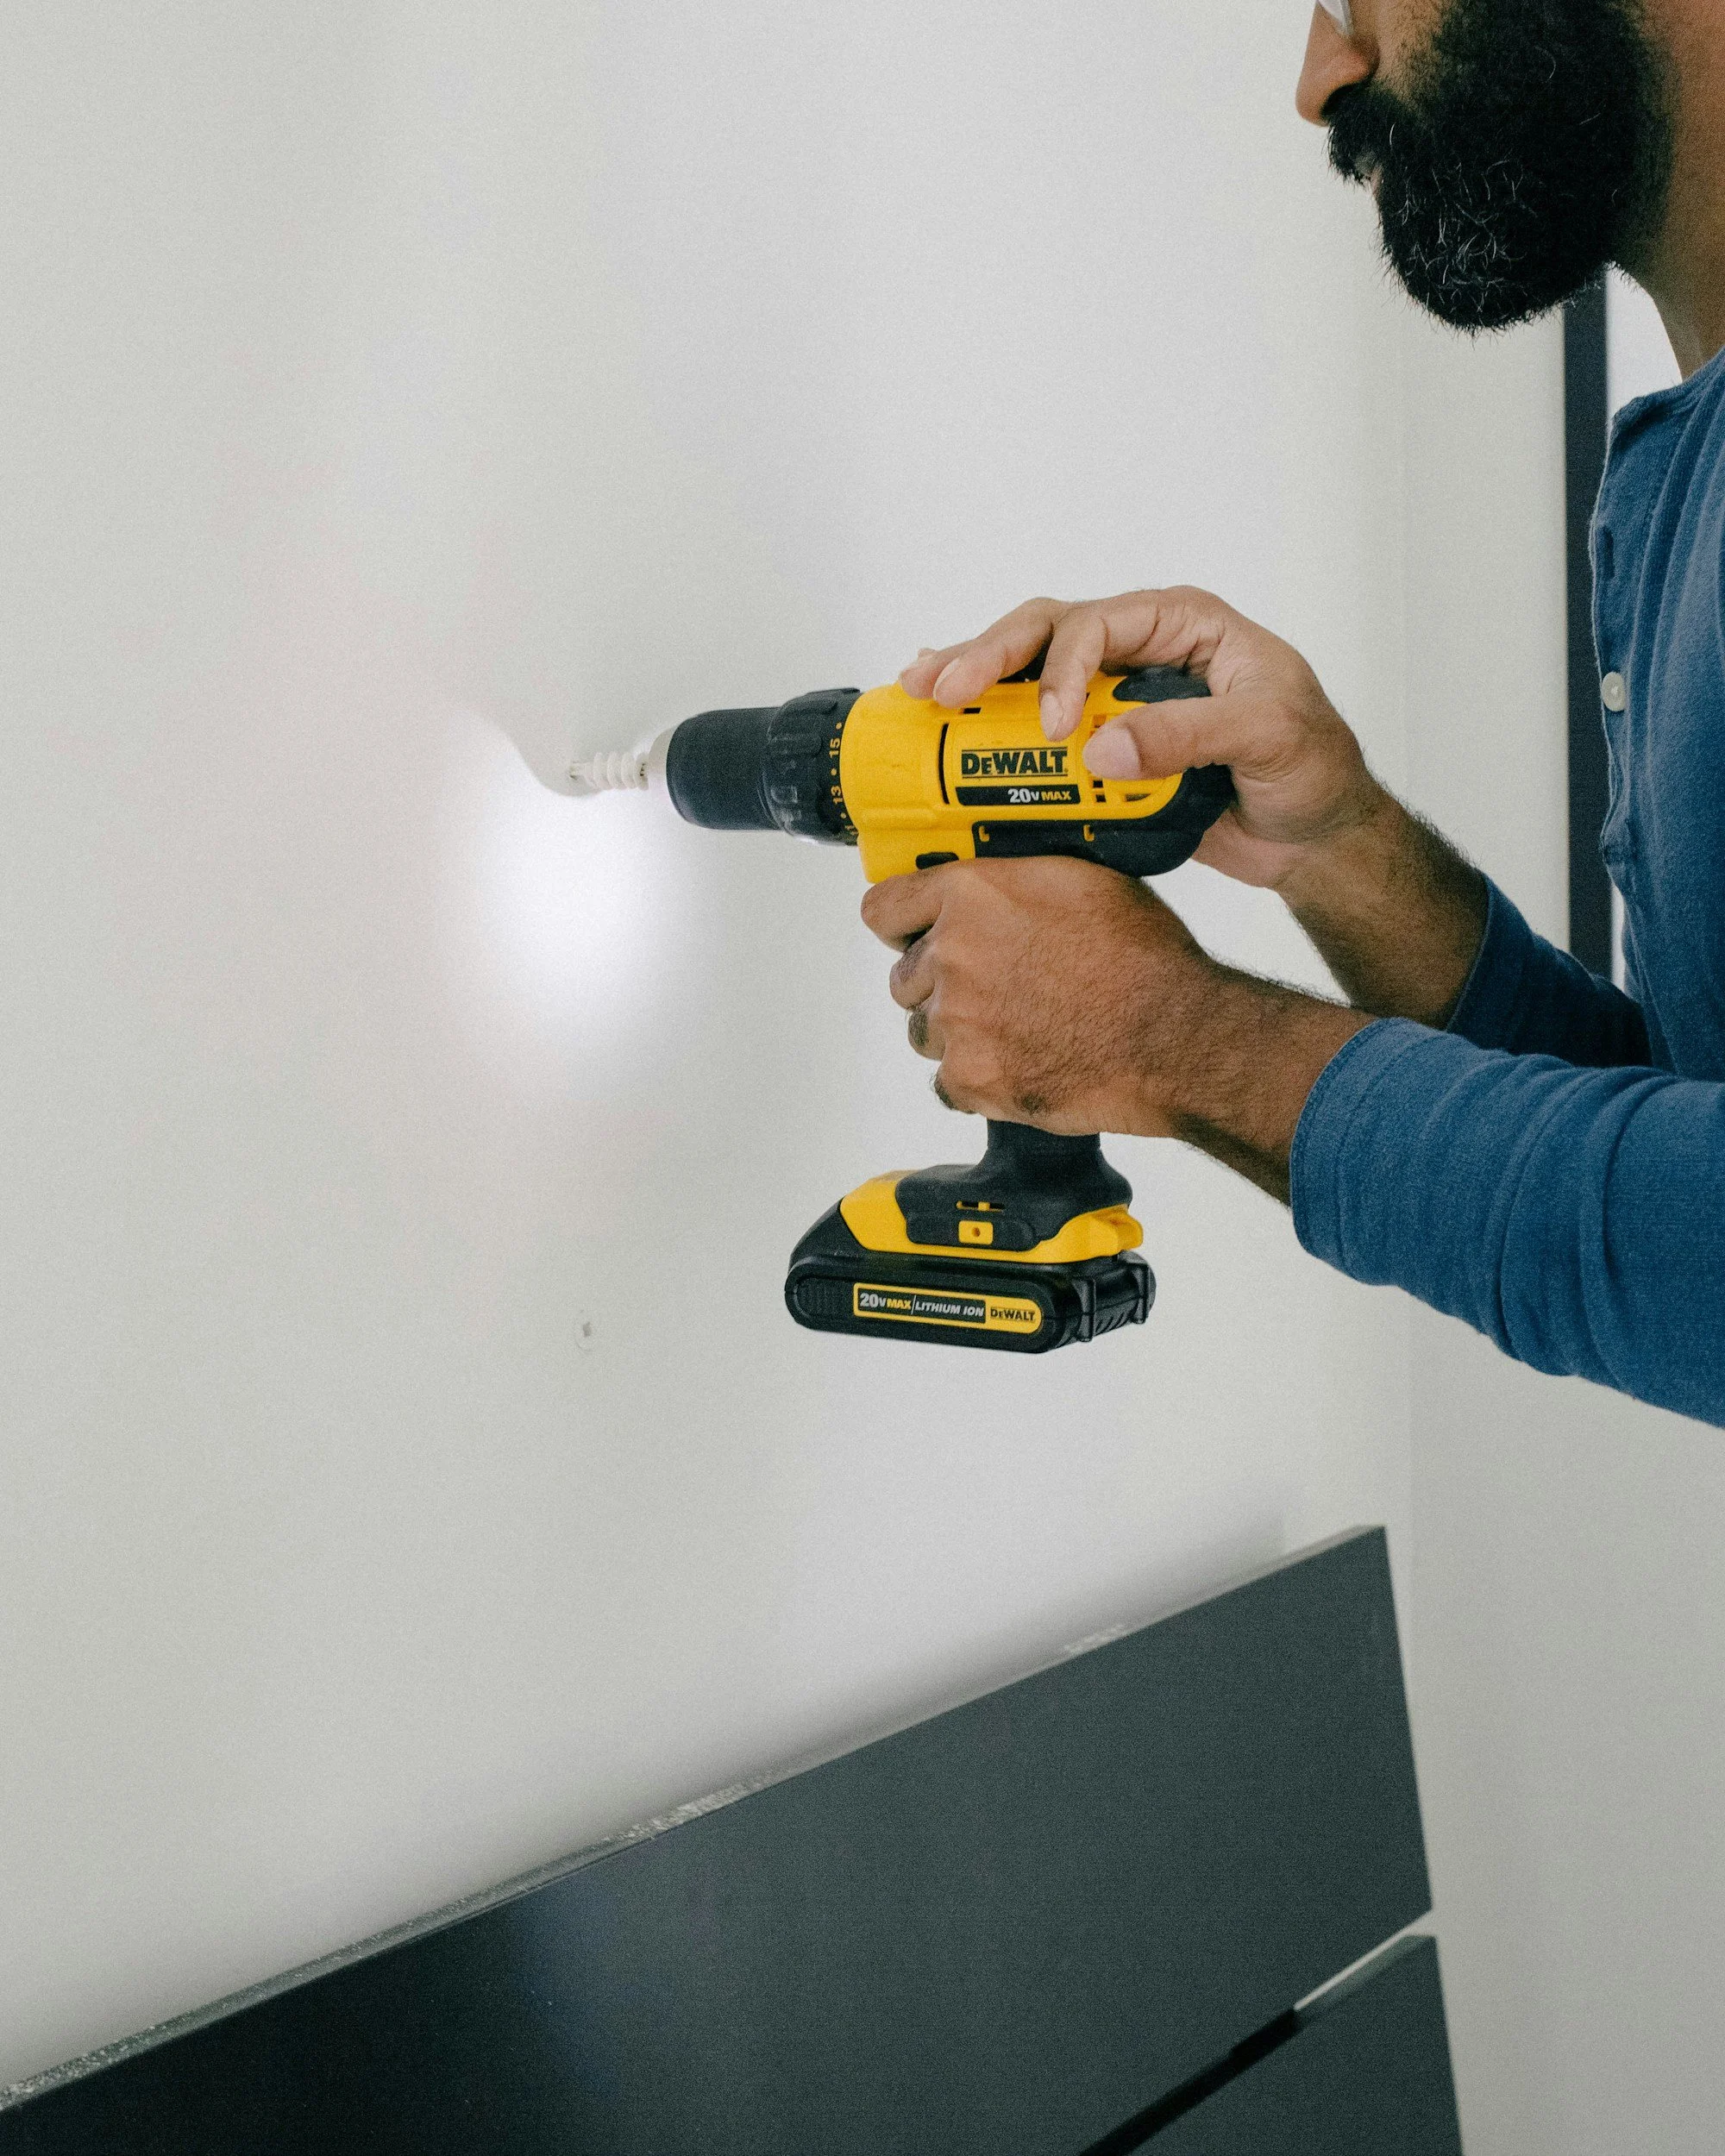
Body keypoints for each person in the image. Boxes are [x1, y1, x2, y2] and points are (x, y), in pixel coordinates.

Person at [862, 0, 1725, 1428]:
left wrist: (1172, 1036)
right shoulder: (1685, 463)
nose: (1324, 76)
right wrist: (1337, 846)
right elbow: (1671, 1137)